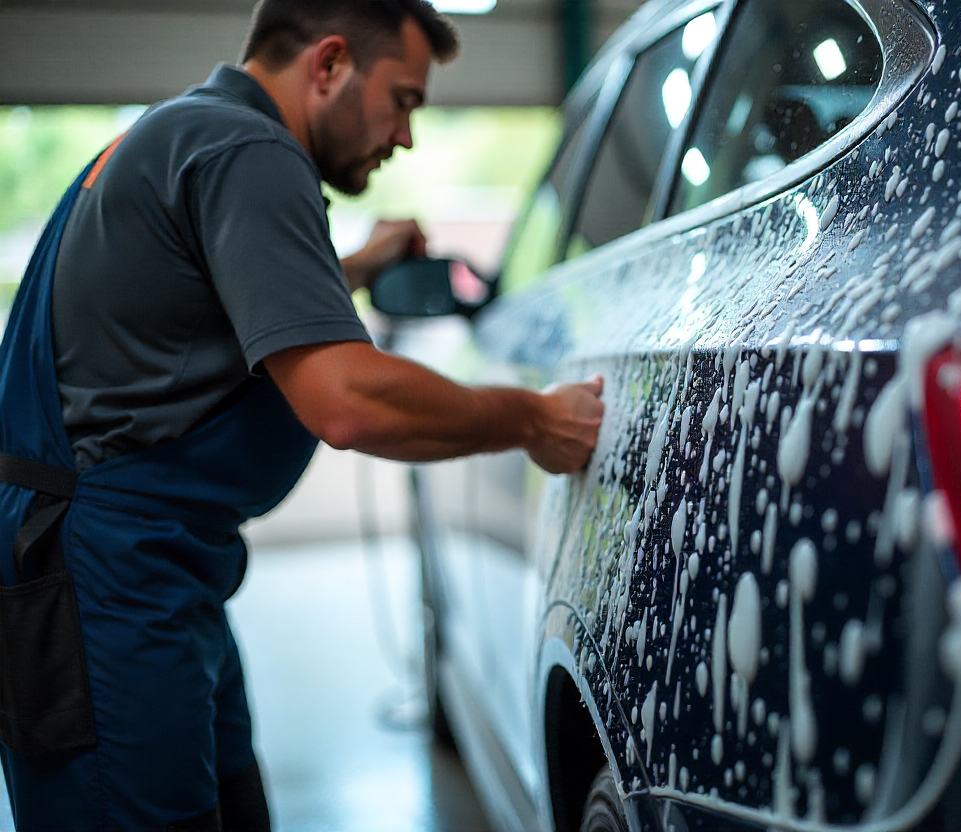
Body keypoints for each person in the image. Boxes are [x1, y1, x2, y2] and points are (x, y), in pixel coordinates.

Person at [0, 0, 604, 828]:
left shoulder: (185, 129)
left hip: (153, 569)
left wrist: (350, 266)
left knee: (228, 806)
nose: (406, 135)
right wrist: (533, 417)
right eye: (404, 99)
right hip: (103, 582)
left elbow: (205, 310)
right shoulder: (250, 151)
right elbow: (347, 402)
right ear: (328, 66)